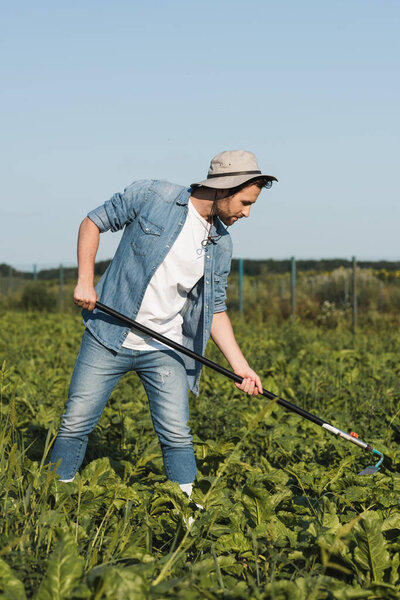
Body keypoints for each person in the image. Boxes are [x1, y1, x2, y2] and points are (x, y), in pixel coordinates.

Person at [49, 150, 277, 501]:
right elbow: (92, 222)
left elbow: (214, 309)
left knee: (176, 435)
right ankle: (54, 500)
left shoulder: (221, 243)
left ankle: (184, 514)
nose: (247, 213)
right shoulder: (152, 196)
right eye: (245, 202)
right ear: (224, 188)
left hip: (165, 347)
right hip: (108, 334)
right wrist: (85, 280)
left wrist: (241, 367)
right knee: (75, 423)